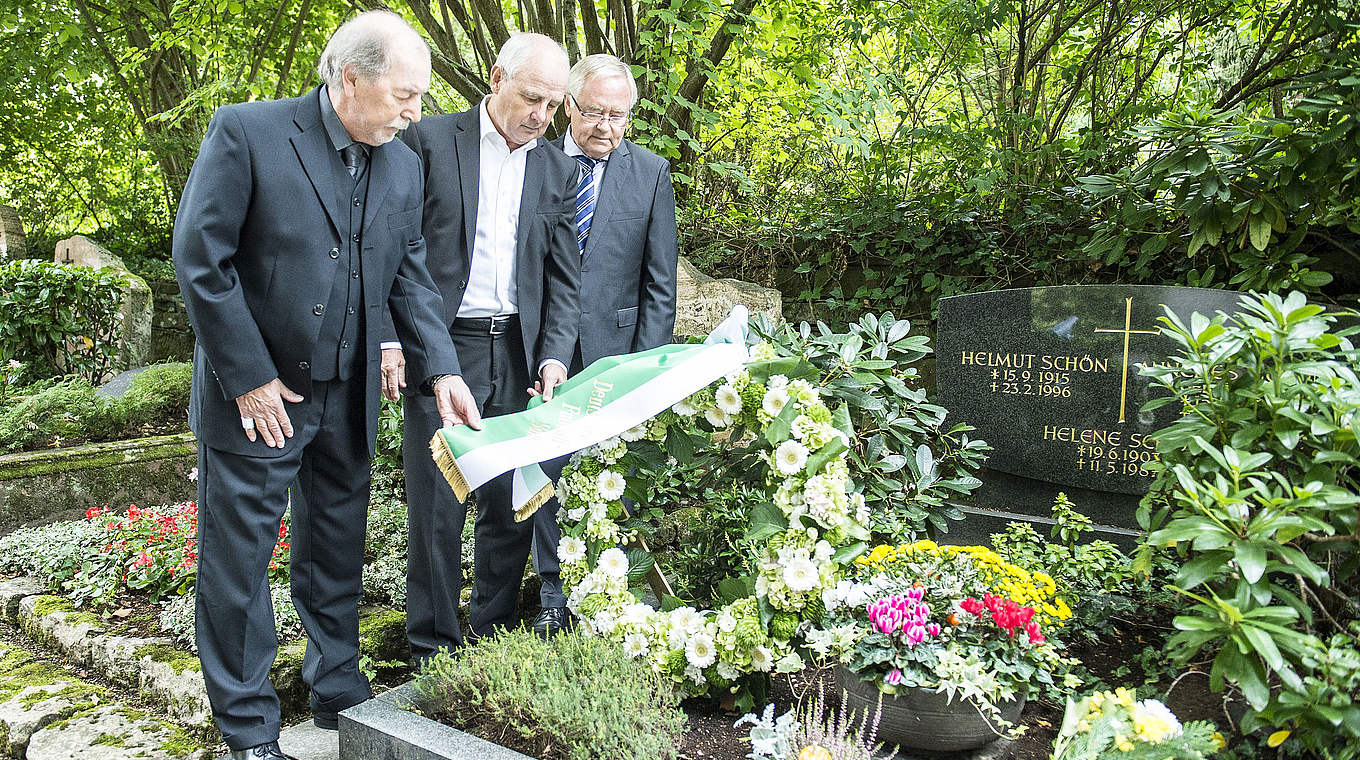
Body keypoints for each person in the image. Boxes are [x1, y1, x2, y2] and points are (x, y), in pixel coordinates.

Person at [173, 12, 479, 760]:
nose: (417, 112)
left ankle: (337, 686)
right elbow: (199, 259)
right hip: (258, 402)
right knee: (239, 564)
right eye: (406, 94)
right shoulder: (246, 133)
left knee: (335, 550)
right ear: (351, 79)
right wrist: (248, 380)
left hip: (346, 400)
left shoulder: (404, 163)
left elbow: (411, 278)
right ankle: (248, 729)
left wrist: (443, 369)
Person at [384, 32, 580, 665]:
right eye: (532, 98)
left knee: (513, 504)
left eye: (553, 106)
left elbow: (564, 281)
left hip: (521, 353)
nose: (541, 117)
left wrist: (554, 356)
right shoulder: (429, 143)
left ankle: (492, 642)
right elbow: (395, 253)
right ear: (497, 78)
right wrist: (397, 341)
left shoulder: (559, 168)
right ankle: (432, 653)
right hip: (446, 346)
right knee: (437, 510)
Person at [529, 53, 679, 637]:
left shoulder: (651, 173)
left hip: (619, 355)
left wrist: (644, 368)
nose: (606, 128)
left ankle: (609, 592)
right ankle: (550, 590)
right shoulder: (536, 163)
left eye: (619, 116)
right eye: (594, 113)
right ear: (570, 106)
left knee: (613, 476)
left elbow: (658, 285)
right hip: (544, 349)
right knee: (547, 468)